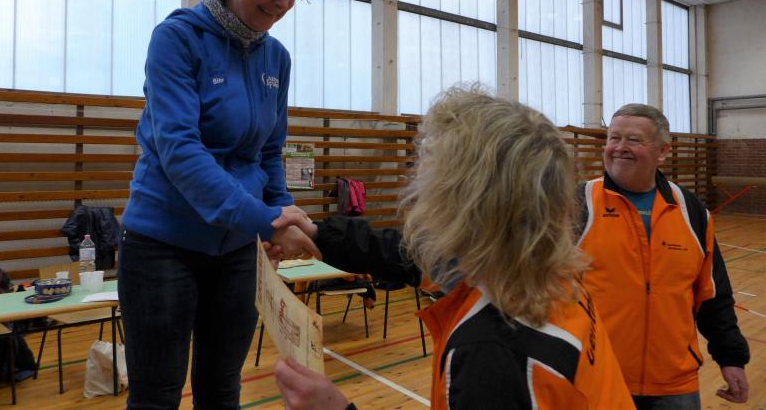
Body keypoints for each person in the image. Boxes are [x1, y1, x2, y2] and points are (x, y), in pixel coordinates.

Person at [271, 88, 635, 409]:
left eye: (434, 168)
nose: (419, 178)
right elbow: (408, 256)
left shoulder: (489, 354)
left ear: (466, 197)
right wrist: (317, 234)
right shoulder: (544, 273)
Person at [118, 0, 321, 409]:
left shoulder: (277, 59)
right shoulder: (177, 39)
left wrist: (282, 211)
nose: (283, 2)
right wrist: (267, 221)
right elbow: (180, 151)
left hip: (237, 251)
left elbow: (269, 152)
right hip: (163, 244)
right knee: (156, 396)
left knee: (221, 390)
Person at [575, 104, 750, 409]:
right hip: (595, 378)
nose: (620, 147)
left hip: (674, 384)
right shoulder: (577, 204)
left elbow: (713, 294)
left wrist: (731, 357)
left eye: (633, 140)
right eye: (614, 138)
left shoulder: (691, 210)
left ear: (663, 151)